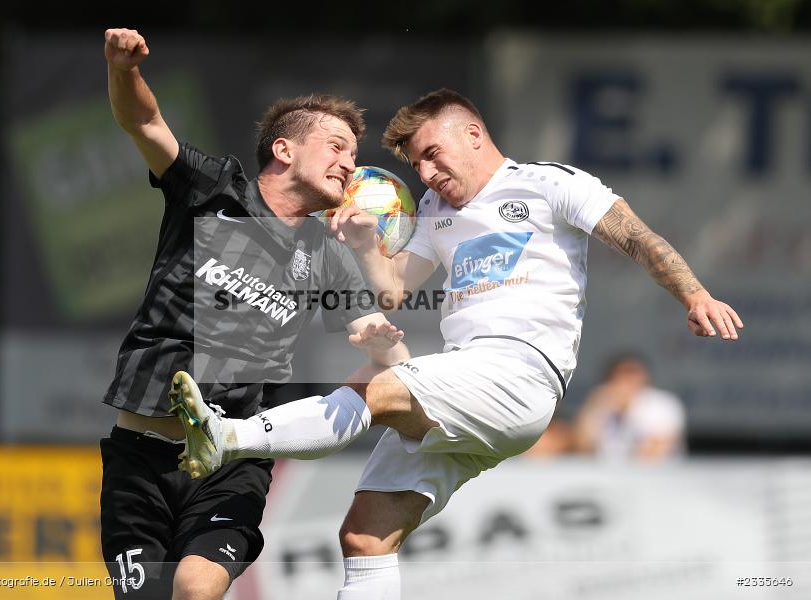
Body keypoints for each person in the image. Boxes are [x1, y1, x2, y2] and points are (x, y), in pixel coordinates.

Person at [171, 88, 743, 599]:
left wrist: (694, 294)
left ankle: (227, 438)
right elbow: (394, 291)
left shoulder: (550, 183)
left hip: (520, 373)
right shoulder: (436, 211)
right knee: (365, 536)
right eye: (417, 164)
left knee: (377, 386)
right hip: (467, 382)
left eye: (431, 153)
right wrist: (367, 244)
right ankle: (227, 441)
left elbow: (637, 237)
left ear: (472, 133)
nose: (426, 172)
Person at [99, 28, 409, 600]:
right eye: (336, 147)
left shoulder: (329, 256)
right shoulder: (213, 189)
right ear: (284, 150)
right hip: (138, 457)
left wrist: (372, 277)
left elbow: (394, 359)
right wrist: (124, 70)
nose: (349, 164)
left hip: (231, 464)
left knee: (196, 589)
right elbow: (144, 122)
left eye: (353, 153)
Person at [573, 351, 686, 461]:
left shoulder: (663, 404)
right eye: (622, 376)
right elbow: (581, 448)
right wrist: (595, 405)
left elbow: (653, 454)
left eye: (633, 374)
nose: (627, 382)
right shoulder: (602, 403)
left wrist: (629, 409)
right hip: (605, 472)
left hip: (657, 473)